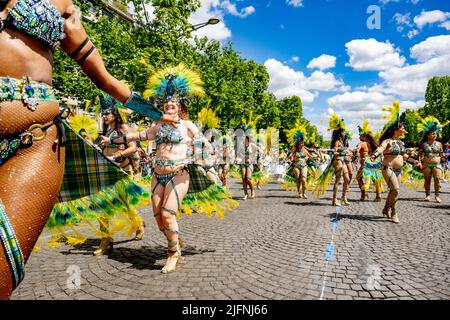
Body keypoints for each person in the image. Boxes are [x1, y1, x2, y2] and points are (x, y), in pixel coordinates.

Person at [0, 0, 176, 299]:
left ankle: (136, 240)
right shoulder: (107, 131)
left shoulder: (62, 3)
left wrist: (157, 114)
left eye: (108, 115)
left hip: (33, 142)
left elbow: (107, 81)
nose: (106, 117)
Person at [101, 65, 238, 273]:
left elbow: (205, 145)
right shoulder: (158, 126)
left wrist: (202, 155)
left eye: (172, 104)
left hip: (179, 174)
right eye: (166, 104)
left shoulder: (187, 125)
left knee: (167, 214)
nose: (168, 106)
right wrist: (114, 139)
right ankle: (175, 241)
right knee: (157, 217)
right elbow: (138, 137)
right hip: (157, 175)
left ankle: (172, 253)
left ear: (180, 107)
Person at [371, 102, 419, 224]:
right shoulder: (388, 141)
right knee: (396, 190)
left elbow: (404, 156)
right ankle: (393, 212)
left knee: (393, 191)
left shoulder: (401, 143)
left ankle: (385, 208)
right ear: (396, 129)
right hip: (388, 168)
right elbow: (381, 148)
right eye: (402, 127)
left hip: (399, 170)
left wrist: (415, 161)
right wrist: (375, 154)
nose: (404, 129)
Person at [417, 116, 448, 203]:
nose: (434, 135)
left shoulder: (439, 144)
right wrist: (419, 162)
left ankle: (437, 196)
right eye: (432, 134)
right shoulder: (424, 144)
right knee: (427, 180)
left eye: (435, 133)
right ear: (428, 135)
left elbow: (442, 154)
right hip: (426, 164)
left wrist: (445, 163)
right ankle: (427, 195)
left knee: (437, 179)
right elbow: (420, 154)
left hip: (437, 164)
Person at [285, 122, 319, 198]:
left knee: (304, 179)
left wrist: (316, 157)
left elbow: (310, 156)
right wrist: (289, 158)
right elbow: (290, 156)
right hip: (296, 166)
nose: (303, 144)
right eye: (301, 143)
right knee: (298, 179)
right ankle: (299, 192)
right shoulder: (294, 150)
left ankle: (304, 193)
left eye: (303, 143)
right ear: (298, 144)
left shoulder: (305, 150)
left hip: (304, 166)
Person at [355, 119, 382, 202]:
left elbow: (357, 151)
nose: (359, 137)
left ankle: (364, 193)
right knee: (375, 179)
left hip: (365, 164)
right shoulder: (371, 144)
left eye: (360, 135)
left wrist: (356, 154)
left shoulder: (361, 143)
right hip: (373, 163)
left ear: (363, 136)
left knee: (358, 178)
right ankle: (378, 196)